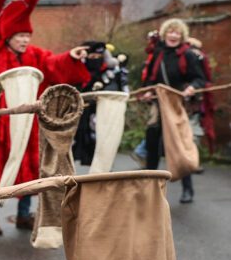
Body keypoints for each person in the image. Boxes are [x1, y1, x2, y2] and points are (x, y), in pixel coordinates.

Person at [0, 0, 89, 235]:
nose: (24, 40)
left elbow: (54, 66)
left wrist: (72, 56)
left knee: (29, 168)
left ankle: (24, 214)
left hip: (26, 124)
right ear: (9, 36)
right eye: (20, 36)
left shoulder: (36, 54)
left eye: (27, 36)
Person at [138, 17, 207, 204]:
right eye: (170, 31)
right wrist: (147, 92)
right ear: (165, 34)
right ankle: (150, 189)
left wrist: (192, 87)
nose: (173, 35)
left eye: (177, 32)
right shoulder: (157, 54)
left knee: (179, 145)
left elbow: (200, 79)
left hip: (178, 106)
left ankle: (187, 190)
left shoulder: (189, 55)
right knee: (152, 143)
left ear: (182, 36)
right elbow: (150, 80)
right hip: (159, 104)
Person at [72, 41, 129, 166]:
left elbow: (120, 87)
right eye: (92, 57)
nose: (95, 60)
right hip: (85, 110)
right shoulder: (78, 70)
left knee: (104, 140)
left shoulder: (111, 71)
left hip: (105, 110)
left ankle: (104, 167)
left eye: (98, 57)